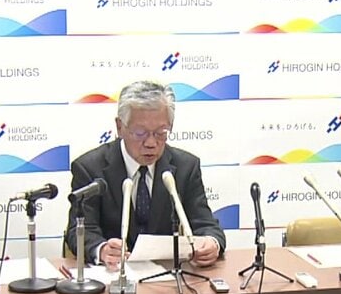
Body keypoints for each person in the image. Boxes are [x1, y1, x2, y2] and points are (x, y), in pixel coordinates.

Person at [65, 80, 225, 270]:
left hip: (166, 278)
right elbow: (79, 231)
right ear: (120, 127)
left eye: (160, 133)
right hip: (114, 276)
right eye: (140, 133)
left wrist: (211, 243)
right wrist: (101, 250)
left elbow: (206, 224)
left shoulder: (185, 167)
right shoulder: (90, 168)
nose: (151, 143)